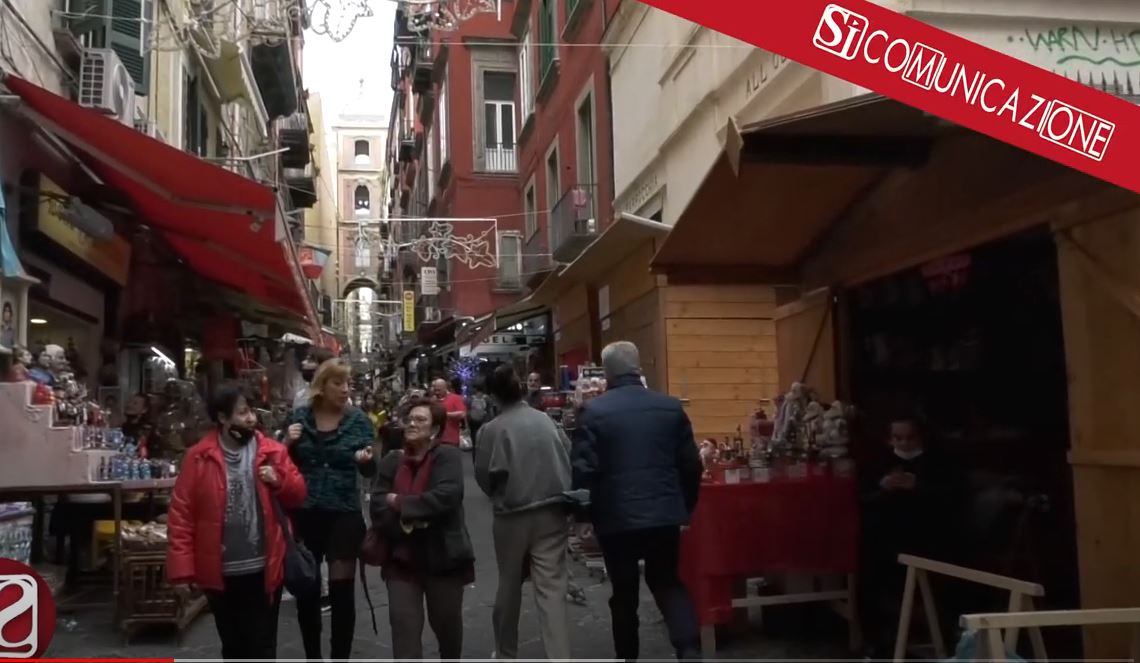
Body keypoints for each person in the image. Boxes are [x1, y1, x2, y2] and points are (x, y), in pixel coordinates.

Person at [571, 341, 702, 661]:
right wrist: (684, 504)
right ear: (638, 366)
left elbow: (584, 470)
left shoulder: (594, 412)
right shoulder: (670, 407)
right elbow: (691, 464)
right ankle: (689, 650)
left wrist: (583, 516)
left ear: (607, 373)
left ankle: (628, 656)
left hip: (616, 518)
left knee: (624, 593)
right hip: (664, 513)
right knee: (668, 582)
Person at [166, 382, 307, 660]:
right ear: (222, 417)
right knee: (233, 645)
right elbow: (181, 515)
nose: (251, 418)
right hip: (220, 572)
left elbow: (299, 494)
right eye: (243, 412)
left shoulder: (272, 451)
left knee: (263, 645)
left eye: (251, 411)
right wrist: (182, 571)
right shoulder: (198, 458)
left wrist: (279, 480)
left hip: (265, 568)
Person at [475, 365, 572, 659]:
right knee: (552, 587)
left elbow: (484, 477)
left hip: (513, 513)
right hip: (553, 509)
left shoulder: (492, 430)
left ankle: (506, 652)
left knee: (509, 583)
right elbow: (567, 450)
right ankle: (560, 655)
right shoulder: (544, 419)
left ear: (493, 396)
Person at [284, 359, 376, 661]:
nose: (346, 389)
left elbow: (369, 471)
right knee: (308, 591)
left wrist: (365, 461)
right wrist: (286, 442)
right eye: (339, 383)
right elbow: (283, 464)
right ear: (322, 386)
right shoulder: (300, 418)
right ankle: (313, 655)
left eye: (348, 383)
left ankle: (340, 657)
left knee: (341, 591)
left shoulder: (359, 421)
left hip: (343, 513)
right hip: (306, 512)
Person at [370, 396, 474, 659]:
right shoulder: (391, 462)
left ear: (435, 430)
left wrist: (401, 503)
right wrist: (411, 519)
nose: (412, 424)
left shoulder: (447, 456)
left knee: (447, 630)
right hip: (401, 560)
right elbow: (378, 507)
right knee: (404, 634)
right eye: (410, 419)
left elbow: (447, 497)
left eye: (421, 420)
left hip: (443, 558)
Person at [858, 414, 956, 657]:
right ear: (889, 440)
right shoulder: (878, 463)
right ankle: (880, 641)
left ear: (920, 437)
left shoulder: (940, 462)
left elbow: (953, 500)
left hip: (929, 538)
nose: (904, 444)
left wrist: (919, 487)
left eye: (910, 438)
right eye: (898, 438)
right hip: (886, 539)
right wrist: (883, 488)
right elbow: (862, 499)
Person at [430, 377, 467, 447]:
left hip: (451, 440)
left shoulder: (456, 398)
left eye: (439, 390)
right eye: (435, 390)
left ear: (445, 388)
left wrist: (444, 415)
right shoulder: (433, 400)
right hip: (435, 439)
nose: (436, 393)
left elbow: (462, 414)